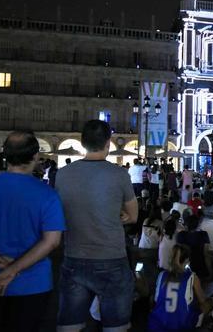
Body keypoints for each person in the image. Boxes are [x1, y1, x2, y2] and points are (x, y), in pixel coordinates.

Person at [55, 120, 138, 331]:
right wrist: (114, 214)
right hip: (111, 258)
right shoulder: (119, 174)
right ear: (108, 143)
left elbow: (60, 212)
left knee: (69, 325)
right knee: (115, 326)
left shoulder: (62, 175)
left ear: (83, 143)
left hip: (74, 257)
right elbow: (133, 216)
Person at [0, 131, 66, 332]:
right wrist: (12, 270)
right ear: (35, 156)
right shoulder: (47, 194)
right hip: (33, 283)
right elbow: (51, 241)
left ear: (5, 155)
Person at [148, 244, 211, 332]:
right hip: (182, 326)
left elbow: (156, 300)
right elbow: (203, 300)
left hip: (158, 324)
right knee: (207, 303)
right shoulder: (192, 277)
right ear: (187, 260)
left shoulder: (162, 275)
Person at [176, 214, 210, 280]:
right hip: (200, 267)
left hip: (185, 266)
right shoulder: (203, 234)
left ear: (186, 224)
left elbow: (178, 253)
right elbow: (206, 255)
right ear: (197, 224)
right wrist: (210, 272)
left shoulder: (181, 235)